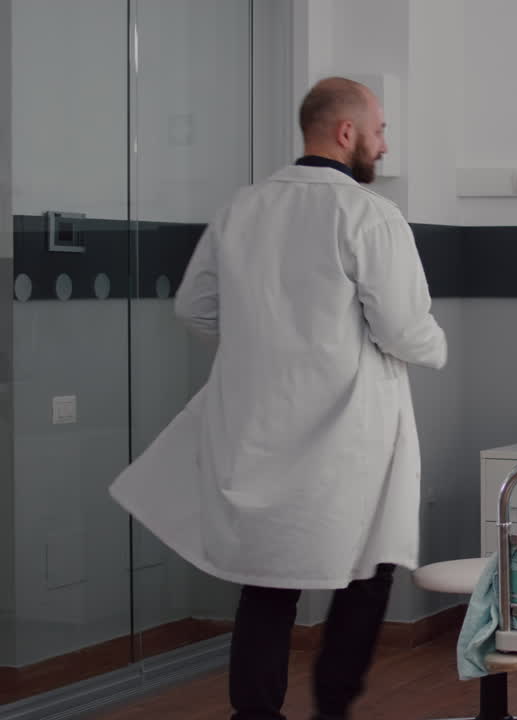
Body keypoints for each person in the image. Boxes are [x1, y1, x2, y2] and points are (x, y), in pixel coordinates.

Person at [110, 77, 448, 720]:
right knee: (368, 568)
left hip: (261, 430)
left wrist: (263, 352)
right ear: (347, 133)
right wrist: (435, 348)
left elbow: (196, 308)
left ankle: (255, 714)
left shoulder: (245, 208)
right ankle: (331, 709)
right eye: (380, 130)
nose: (384, 143)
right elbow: (406, 330)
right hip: (349, 437)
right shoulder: (367, 214)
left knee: (267, 586)